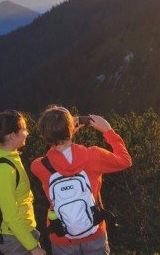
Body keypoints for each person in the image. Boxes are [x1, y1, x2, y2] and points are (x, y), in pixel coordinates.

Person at [30, 106, 132, 255]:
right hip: (94, 231)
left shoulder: (38, 166)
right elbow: (125, 160)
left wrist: (64, 135)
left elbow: (54, 157)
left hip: (61, 235)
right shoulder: (93, 155)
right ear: (70, 128)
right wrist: (108, 131)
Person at [0, 110, 46, 255]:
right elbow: (10, 215)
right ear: (12, 136)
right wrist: (33, 248)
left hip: (20, 232)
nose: (27, 133)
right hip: (15, 238)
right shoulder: (3, 169)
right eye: (24, 129)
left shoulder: (9, 157)